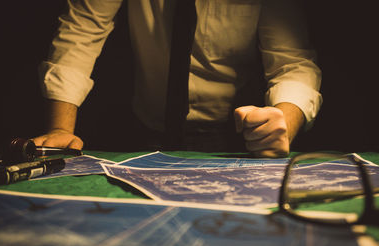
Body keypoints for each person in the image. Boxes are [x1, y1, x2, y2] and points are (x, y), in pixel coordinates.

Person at [33, 0, 322, 158]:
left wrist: (282, 121)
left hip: (236, 140)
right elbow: (80, 32)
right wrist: (60, 128)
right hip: (141, 131)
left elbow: (292, 61)